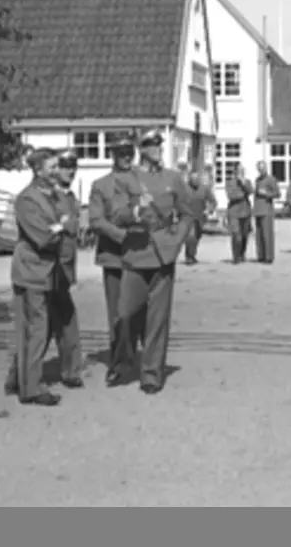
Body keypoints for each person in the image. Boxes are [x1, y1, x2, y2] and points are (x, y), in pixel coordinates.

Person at [108, 130, 194, 394]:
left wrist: (177, 241)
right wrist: (134, 211)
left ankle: (151, 374)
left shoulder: (173, 178)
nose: (156, 148)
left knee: (158, 317)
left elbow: (189, 213)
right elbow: (117, 215)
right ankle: (124, 358)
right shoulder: (127, 179)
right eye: (149, 144)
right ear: (140, 149)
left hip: (163, 254)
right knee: (126, 313)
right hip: (135, 252)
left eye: (158, 144)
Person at [5, 148, 83, 407]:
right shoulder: (27, 200)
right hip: (32, 272)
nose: (56, 171)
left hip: (51, 272)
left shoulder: (55, 197)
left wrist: (62, 225)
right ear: (37, 170)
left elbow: (71, 223)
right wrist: (61, 226)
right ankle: (31, 389)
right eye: (51, 167)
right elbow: (43, 237)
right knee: (35, 330)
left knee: (46, 327)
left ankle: (22, 379)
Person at [87, 134, 144, 360]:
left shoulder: (143, 181)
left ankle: (136, 351)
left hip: (142, 254)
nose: (126, 158)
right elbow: (95, 220)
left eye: (130, 153)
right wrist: (121, 235)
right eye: (121, 154)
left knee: (140, 307)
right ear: (113, 156)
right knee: (117, 310)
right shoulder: (101, 185)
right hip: (114, 255)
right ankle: (119, 355)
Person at [183, 167, 217, 265]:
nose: (195, 181)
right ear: (189, 179)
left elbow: (213, 202)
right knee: (191, 236)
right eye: (192, 179)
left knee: (197, 237)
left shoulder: (204, 189)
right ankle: (189, 257)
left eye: (196, 179)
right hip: (187, 217)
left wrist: (209, 210)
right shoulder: (184, 189)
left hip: (200, 217)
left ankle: (191, 255)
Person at [225, 164, 254, 263]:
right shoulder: (230, 183)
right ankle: (236, 256)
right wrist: (242, 195)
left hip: (245, 211)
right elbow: (231, 196)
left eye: (243, 171)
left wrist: (243, 183)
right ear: (235, 172)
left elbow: (250, 191)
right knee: (236, 235)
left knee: (245, 235)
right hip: (234, 212)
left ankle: (242, 254)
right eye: (239, 171)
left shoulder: (247, 182)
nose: (241, 173)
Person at [252, 160, 279, 263]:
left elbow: (277, 193)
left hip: (267, 210)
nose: (261, 170)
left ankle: (269, 257)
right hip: (258, 210)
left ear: (266, 168)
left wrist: (266, 193)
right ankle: (261, 255)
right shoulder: (257, 180)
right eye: (259, 168)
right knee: (259, 235)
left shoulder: (271, 179)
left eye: (262, 168)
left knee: (267, 234)